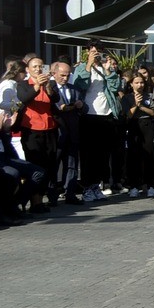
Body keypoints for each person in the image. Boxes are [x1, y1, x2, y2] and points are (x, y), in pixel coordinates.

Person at [73, 46, 122, 202]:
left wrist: (108, 70)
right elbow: (80, 85)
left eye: (99, 52)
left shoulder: (103, 68)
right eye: (93, 52)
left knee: (102, 155)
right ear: (87, 52)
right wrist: (88, 64)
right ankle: (87, 187)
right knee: (88, 154)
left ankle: (97, 185)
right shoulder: (82, 68)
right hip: (89, 115)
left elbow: (115, 87)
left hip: (106, 114)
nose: (96, 55)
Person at [17, 55, 60, 210]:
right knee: (36, 165)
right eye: (34, 67)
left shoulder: (50, 83)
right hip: (31, 130)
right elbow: (24, 98)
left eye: (41, 66)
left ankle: (42, 198)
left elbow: (55, 98)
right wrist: (36, 85)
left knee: (49, 164)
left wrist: (47, 86)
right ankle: (35, 201)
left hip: (49, 128)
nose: (38, 69)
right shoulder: (23, 85)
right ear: (28, 70)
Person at [121, 74, 154, 198]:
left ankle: (150, 185)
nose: (139, 85)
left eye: (141, 83)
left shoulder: (148, 96)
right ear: (131, 84)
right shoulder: (127, 98)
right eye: (136, 83)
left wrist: (141, 106)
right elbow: (128, 115)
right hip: (134, 126)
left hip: (147, 125)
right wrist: (135, 105)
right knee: (134, 156)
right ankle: (134, 185)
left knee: (149, 155)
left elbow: (153, 112)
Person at [51, 62, 84, 205]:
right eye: (62, 75)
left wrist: (81, 105)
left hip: (72, 132)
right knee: (54, 163)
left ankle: (70, 193)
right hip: (57, 132)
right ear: (54, 74)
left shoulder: (74, 89)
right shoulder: (50, 89)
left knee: (71, 164)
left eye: (68, 75)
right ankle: (52, 195)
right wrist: (60, 108)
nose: (65, 78)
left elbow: (84, 108)